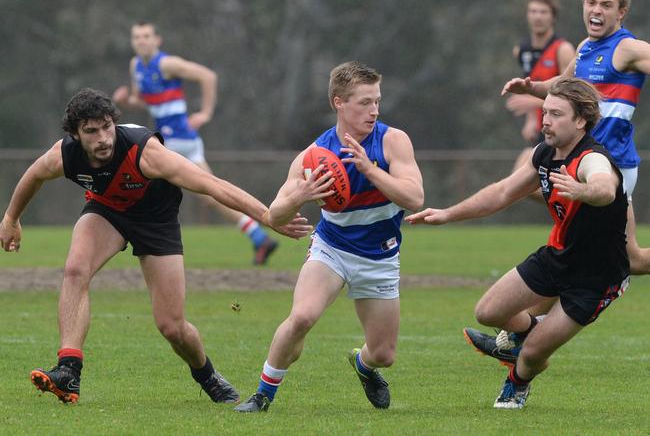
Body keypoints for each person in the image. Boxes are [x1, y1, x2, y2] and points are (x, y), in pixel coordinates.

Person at [0, 88, 312, 404]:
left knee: (172, 326)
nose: (103, 138)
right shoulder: (64, 154)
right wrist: (11, 218)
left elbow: (214, 186)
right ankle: (68, 371)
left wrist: (269, 216)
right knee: (75, 269)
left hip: (155, 219)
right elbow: (33, 176)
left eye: (107, 126)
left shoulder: (145, 152)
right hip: (107, 211)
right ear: (75, 135)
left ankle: (206, 374)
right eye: (91, 132)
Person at [407, 77, 630, 409]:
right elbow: (502, 192)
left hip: (597, 277)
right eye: (545, 112)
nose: (545, 121)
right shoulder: (545, 153)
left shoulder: (591, 158)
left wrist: (582, 190)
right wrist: (448, 214)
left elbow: (603, 187)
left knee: (534, 355)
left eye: (556, 114)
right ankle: (525, 334)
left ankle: (517, 382)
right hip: (558, 256)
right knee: (488, 312)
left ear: (581, 120)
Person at [467, 0, 650, 365]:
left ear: (622, 12)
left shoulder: (627, 48)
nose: (596, 11)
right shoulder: (586, 47)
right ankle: (520, 333)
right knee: (598, 255)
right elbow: (562, 84)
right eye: (591, 3)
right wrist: (531, 87)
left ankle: (520, 335)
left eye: (606, 5)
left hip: (608, 170)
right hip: (580, 165)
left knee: (618, 258)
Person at [233, 61, 424, 412]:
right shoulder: (315, 155)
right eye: (364, 102)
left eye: (377, 101)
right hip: (332, 249)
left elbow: (414, 199)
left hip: (380, 256)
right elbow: (275, 214)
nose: (374, 110)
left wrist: (369, 169)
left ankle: (364, 365)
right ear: (339, 102)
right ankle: (262, 395)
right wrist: (299, 196)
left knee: (384, 354)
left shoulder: (393, 141)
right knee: (302, 316)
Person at [112, 22, 278, 265]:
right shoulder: (136, 65)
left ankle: (132, 235)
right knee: (211, 193)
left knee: (142, 183)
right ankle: (258, 236)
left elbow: (207, 76)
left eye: (146, 36)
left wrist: (206, 112)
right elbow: (144, 101)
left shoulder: (167, 64)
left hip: (177, 139)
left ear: (157, 40)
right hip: (174, 140)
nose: (141, 41)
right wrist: (127, 101)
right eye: (137, 37)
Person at [506, 0, 574, 174]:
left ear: (553, 16)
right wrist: (530, 118)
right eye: (533, 11)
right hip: (543, 127)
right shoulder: (521, 50)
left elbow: (572, 95)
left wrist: (533, 102)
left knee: (521, 180)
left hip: (563, 128)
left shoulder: (563, 49)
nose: (538, 17)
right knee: (520, 179)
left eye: (543, 12)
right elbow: (531, 83)